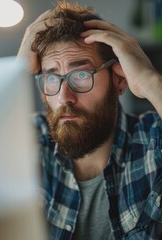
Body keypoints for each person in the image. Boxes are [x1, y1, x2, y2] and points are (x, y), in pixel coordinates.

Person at [18, 1, 162, 239]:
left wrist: (149, 80)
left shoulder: (153, 142)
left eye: (82, 75)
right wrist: (17, 73)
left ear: (119, 80)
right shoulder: (27, 141)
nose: (65, 97)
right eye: (52, 79)